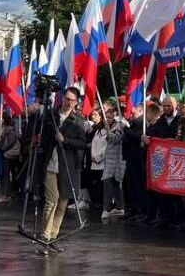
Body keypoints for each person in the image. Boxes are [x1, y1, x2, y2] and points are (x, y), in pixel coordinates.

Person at [37, 87, 88, 250]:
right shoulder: (51, 115)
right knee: (51, 200)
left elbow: (82, 143)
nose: (68, 102)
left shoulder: (79, 120)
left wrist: (65, 140)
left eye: (72, 100)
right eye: (67, 98)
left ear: (76, 102)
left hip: (67, 167)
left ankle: (53, 236)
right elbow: (42, 137)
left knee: (62, 203)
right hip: (51, 164)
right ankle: (45, 234)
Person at [99, 103, 127, 219]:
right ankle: (120, 207)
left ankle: (106, 209)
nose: (108, 119)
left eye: (110, 117)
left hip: (117, 160)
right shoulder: (114, 125)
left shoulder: (121, 124)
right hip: (110, 160)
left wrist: (107, 130)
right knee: (114, 184)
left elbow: (115, 138)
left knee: (109, 184)